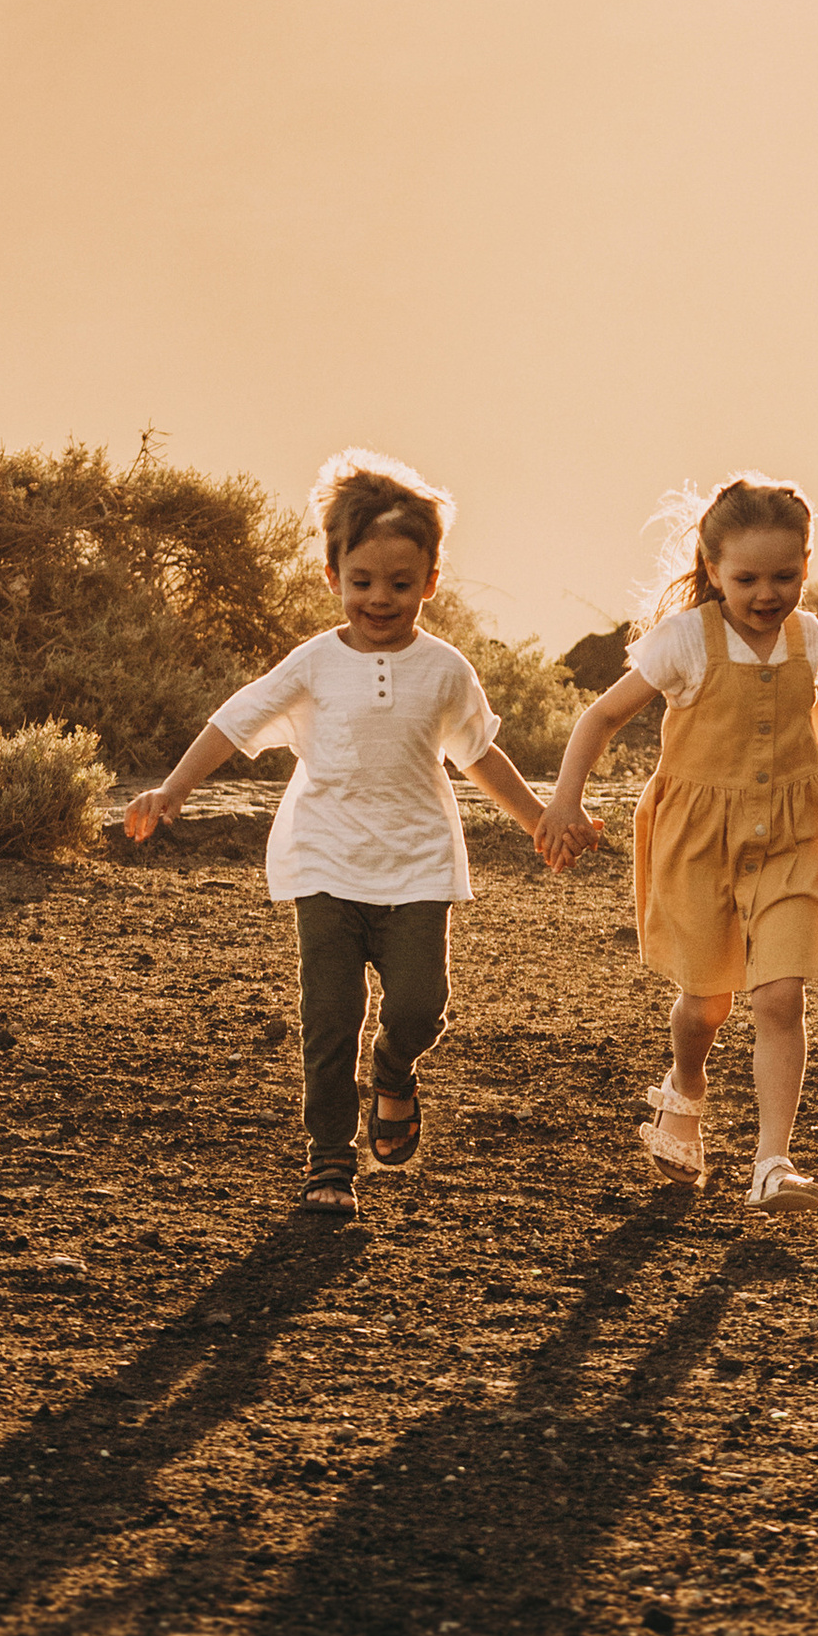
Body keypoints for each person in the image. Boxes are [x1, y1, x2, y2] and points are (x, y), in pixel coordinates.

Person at [124, 449, 548, 1219]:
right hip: (323, 859)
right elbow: (235, 720)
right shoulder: (315, 663)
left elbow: (478, 752)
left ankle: (392, 1071)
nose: (379, 600)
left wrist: (539, 819)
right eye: (362, 583)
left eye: (400, 584)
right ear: (333, 577)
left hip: (418, 865)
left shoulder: (445, 669)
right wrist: (174, 789)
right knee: (329, 1016)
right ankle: (329, 1160)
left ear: (430, 581)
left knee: (420, 1006)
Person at [538, 475, 818, 1216]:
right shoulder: (683, 644)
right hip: (698, 840)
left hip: (794, 831)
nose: (768, 593)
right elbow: (600, 718)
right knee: (706, 1003)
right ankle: (685, 1088)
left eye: (786, 576)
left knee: (781, 993)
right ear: (713, 565)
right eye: (748, 578)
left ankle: (772, 1163)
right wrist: (565, 799)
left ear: (807, 562)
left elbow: (809, 699)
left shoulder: (809, 638)